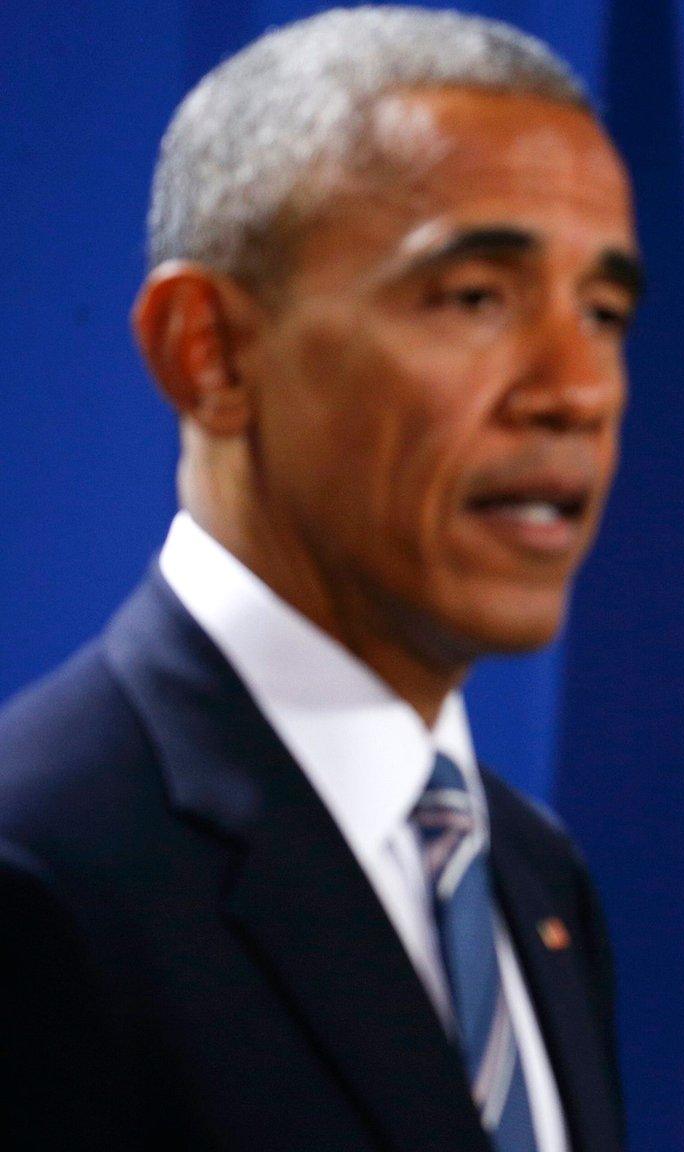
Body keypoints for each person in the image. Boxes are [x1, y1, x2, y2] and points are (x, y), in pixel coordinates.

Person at [0, 9, 640, 1151]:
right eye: (476, 298)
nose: (575, 388)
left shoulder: (535, 878)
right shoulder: (38, 875)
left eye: (602, 313)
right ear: (212, 351)